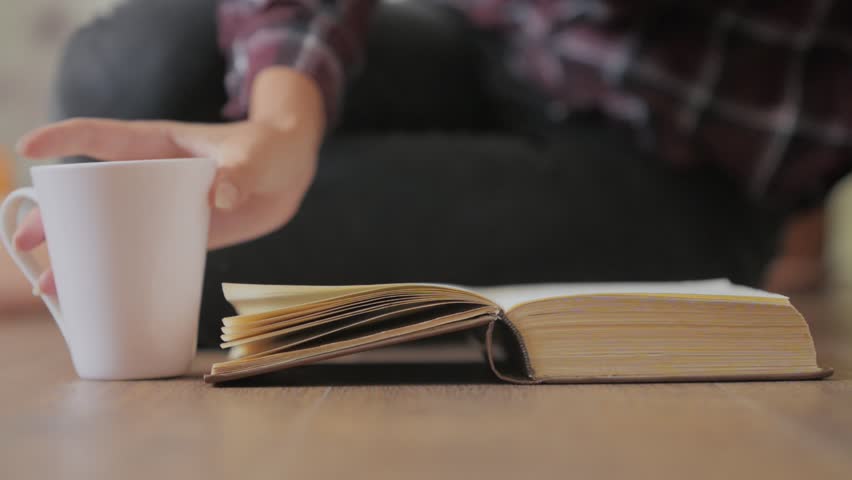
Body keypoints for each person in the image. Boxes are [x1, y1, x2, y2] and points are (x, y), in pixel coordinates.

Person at [9, 0, 851, 346]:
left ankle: (40, 272)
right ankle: (63, 265)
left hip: (682, 153)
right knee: (122, 76)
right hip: (503, 49)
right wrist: (282, 120)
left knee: (180, 273)